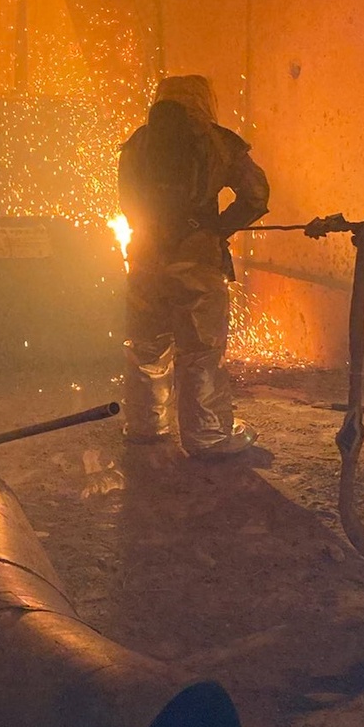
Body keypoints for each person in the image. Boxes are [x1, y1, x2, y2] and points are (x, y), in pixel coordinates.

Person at [118, 74, 270, 457]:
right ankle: (208, 436)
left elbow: (126, 202)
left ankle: (145, 424)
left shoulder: (139, 142)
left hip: (145, 258)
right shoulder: (217, 141)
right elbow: (256, 194)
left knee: (147, 344)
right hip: (196, 259)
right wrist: (216, 228)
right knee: (200, 349)